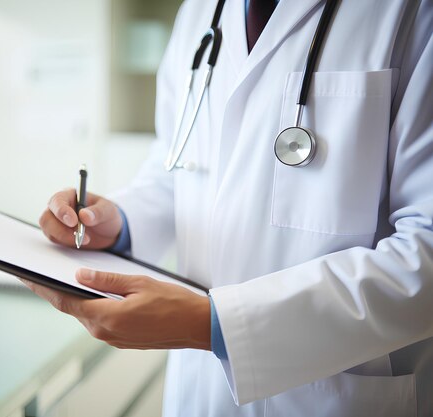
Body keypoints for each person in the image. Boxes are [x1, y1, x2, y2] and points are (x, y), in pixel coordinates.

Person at [26, 0, 433, 415]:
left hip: (329, 397)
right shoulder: (199, 12)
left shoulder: (412, 12)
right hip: (198, 392)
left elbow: (426, 254)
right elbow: (178, 166)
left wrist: (214, 324)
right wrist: (118, 223)